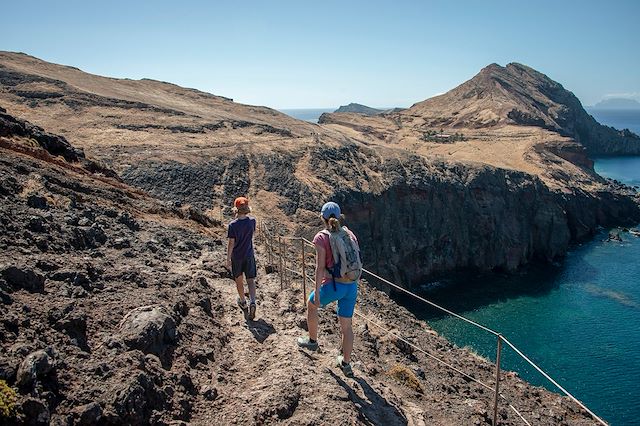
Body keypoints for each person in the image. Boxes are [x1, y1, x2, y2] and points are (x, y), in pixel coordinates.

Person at [297, 201, 361, 378]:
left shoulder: (321, 237)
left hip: (334, 285)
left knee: (311, 305)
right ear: (340, 216)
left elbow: (319, 268)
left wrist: (317, 292)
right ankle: (346, 364)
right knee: (346, 328)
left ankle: (312, 341)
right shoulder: (348, 233)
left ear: (322, 218)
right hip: (351, 286)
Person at [226, 196, 257, 320]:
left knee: (239, 280)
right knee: (251, 280)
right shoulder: (252, 221)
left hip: (237, 257)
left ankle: (243, 302)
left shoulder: (232, 225)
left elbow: (231, 243)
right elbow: (252, 235)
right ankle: (253, 301)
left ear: (236, 209)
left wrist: (228, 258)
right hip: (249, 255)